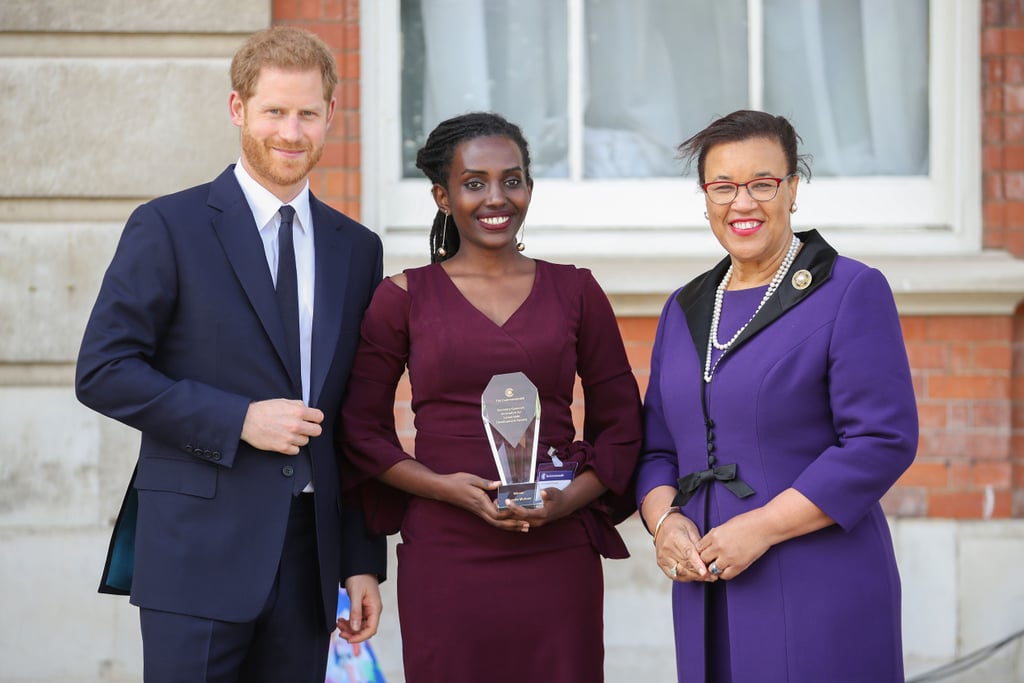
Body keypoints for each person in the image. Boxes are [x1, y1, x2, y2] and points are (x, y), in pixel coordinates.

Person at [75, 26, 386, 683]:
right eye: (274, 110)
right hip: (195, 551)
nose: (292, 132)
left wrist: (360, 556)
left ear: (332, 115)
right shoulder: (167, 227)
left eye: (307, 113)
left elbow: (356, 415)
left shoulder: (356, 249)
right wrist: (239, 418)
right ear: (237, 109)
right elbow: (103, 370)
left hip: (310, 559)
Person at [339, 111, 642, 682]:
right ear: (442, 195)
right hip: (445, 551)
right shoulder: (401, 298)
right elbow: (360, 432)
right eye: (474, 182)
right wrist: (444, 488)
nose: (496, 197)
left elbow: (622, 426)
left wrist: (569, 501)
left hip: (556, 549)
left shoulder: (575, 290)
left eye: (513, 179)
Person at [636, 110, 918, 682]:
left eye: (762, 184)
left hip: (817, 581)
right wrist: (666, 525)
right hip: (706, 587)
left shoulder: (850, 290)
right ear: (705, 197)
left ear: (792, 188)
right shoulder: (684, 307)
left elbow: (880, 441)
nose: (743, 203)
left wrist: (761, 527)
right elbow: (657, 448)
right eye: (723, 187)